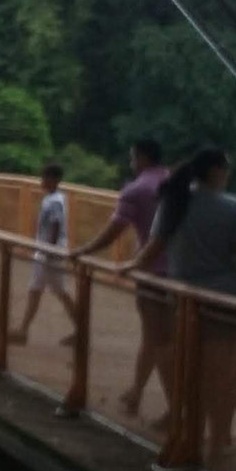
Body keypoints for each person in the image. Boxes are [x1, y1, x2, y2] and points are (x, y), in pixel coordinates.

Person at [117, 148, 236, 457]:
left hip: (183, 298)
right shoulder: (233, 208)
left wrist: (129, 267)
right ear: (215, 172)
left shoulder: (174, 202)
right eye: (226, 170)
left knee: (190, 371)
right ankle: (217, 442)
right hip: (225, 299)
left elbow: (153, 248)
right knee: (221, 377)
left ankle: (190, 440)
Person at [70, 138, 173, 421]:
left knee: (162, 341)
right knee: (155, 338)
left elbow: (115, 229)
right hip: (182, 273)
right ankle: (136, 392)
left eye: (132, 158)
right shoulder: (176, 182)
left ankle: (177, 410)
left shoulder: (137, 190)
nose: (131, 163)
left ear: (140, 157)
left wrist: (84, 250)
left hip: (152, 272)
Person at [10, 163, 76, 345]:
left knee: (51, 291)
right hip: (48, 251)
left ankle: (23, 331)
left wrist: (48, 249)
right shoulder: (55, 198)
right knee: (41, 290)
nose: (42, 181)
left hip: (50, 252)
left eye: (45, 177)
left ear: (54, 180)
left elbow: (55, 225)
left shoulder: (54, 201)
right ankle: (23, 330)